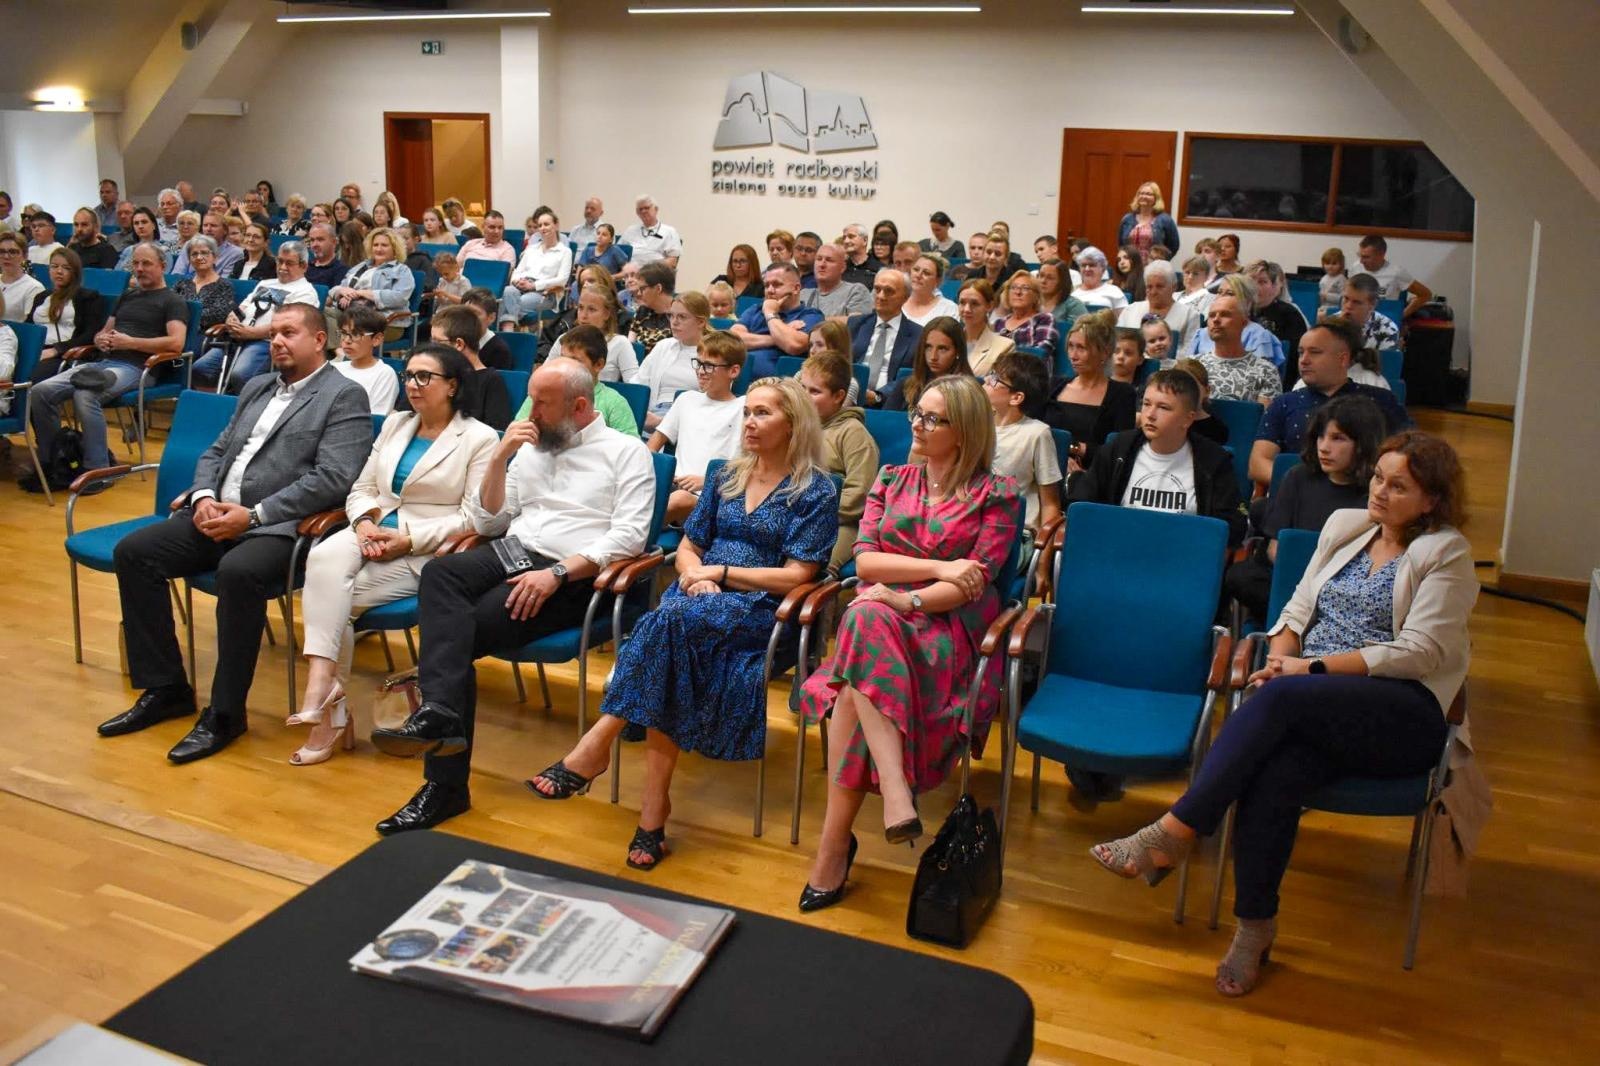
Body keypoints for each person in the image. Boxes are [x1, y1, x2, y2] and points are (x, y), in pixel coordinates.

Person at [1093, 430, 1475, 996]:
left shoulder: (1446, 552)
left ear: (1432, 501)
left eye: (1399, 486)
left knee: (1277, 698)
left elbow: (1420, 651)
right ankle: (1255, 929)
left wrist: (1310, 672)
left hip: (1402, 711)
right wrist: (1281, 659)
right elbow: (1296, 609)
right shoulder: (1348, 527)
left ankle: (1177, 830)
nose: (1380, 492)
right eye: (1379, 478)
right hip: (1310, 704)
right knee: (1273, 777)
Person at [528, 377, 836, 866]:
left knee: (665, 628)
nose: (749, 422)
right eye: (747, 412)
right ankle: (652, 811)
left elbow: (800, 573)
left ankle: (597, 746)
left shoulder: (815, 490)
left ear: (794, 423)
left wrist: (722, 572)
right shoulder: (726, 476)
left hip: (761, 608)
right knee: (674, 637)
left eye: (762, 414)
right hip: (697, 597)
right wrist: (694, 575)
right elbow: (689, 544)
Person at [369, 357, 654, 832]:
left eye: (542, 404)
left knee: (460, 635)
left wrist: (558, 573)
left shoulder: (627, 452)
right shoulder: (531, 446)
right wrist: (500, 457)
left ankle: (444, 784)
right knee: (440, 576)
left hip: (578, 574)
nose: (530, 412)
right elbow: (488, 522)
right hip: (516, 551)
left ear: (579, 405)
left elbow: (629, 537)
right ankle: (440, 715)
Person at [98, 303, 370, 761]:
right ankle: (166, 688)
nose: (277, 341)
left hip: (281, 531)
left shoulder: (343, 395)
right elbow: (218, 450)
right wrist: (204, 496)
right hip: (216, 514)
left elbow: (334, 478)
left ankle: (225, 714)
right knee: (135, 552)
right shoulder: (258, 385)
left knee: (238, 573)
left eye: (289, 333)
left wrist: (254, 515)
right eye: (273, 334)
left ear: (320, 339)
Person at [795, 375, 1020, 912]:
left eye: (932, 419)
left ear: (963, 431)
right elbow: (865, 561)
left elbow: (973, 583)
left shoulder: (998, 495)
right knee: (867, 617)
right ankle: (892, 793)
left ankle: (835, 846)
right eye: (917, 413)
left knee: (859, 640)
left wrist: (910, 601)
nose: (915, 425)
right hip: (882, 622)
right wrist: (939, 564)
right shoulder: (893, 479)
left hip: (948, 629)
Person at [291, 344, 499, 765]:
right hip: (374, 527)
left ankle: (329, 711)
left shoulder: (479, 437)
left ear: (453, 385)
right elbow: (364, 487)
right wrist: (364, 520)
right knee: (322, 559)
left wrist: (408, 539)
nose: (413, 385)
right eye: (409, 375)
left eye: (425, 377)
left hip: (423, 547)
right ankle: (323, 688)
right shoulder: (396, 423)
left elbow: (473, 518)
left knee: (334, 602)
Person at [25, 244, 186, 493]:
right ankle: (53, 460)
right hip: (104, 362)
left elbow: (176, 343)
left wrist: (131, 342)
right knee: (41, 390)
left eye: (146, 264)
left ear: (162, 266)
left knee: (86, 393)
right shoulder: (128, 296)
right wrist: (100, 338)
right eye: (136, 264)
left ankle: (97, 470)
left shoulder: (173, 301)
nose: (140, 269)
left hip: (137, 367)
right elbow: (105, 330)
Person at [1225, 395, 1384, 625]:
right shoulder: (1298, 477)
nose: (1324, 447)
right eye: (1321, 436)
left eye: (1338, 439)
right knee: (1240, 577)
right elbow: (1275, 549)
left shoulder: (1374, 493)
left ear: (1362, 445)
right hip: (1291, 576)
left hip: (1341, 585)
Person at [1068, 367, 1244, 542]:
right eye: (1146, 404)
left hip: (1181, 556)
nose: (1150, 415)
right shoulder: (1118, 449)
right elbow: (1084, 507)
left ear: (1188, 419)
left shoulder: (1213, 460)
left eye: (1164, 408)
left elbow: (1233, 527)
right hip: (1120, 548)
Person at [1249, 317, 1412, 488]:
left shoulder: (1380, 401)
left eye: (1314, 352)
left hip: (1361, 499)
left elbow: (1408, 453)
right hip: (1296, 498)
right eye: (1300, 352)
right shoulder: (1284, 403)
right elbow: (1258, 464)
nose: (1303, 360)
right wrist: (1307, 487)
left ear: (1342, 359)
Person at [649, 330, 747, 523]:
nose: (701, 371)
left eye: (709, 366)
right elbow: (653, 445)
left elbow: (749, 465)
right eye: (699, 363)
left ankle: (627, 538)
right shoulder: (686, 399)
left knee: (680, 499)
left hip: (712, 496)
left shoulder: (745, 408)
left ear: (733, 371)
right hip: (673, 485)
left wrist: (708, 481)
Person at [800, 351, 879, 577]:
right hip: (794, 513)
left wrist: (815, 514)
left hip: (839, 522)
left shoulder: (854, 434)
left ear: (838, 396)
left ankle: (821, 605)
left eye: (814, 391)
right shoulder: (795, 427)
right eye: (802, 388)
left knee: (812, 568)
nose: (804, 397)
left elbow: (860, 494)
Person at [1042, 310, 1137, 472]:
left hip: (1090, 474)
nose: (1073, 355)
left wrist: (1074, 449)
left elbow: (1120, 452)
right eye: (1071, 346)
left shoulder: (1122, 394)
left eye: (1081, 348)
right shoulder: (1054, 385)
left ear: (1105, 352)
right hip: (1045, 465)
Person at [985, 351, 1062, 532]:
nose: (987, 380)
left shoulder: (1037, 433)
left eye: (995, 378)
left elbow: (1050, 504)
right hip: (974, 524)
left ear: (1016, 397)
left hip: (1015, 532)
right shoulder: (974, 424)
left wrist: (1043, 556)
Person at [520, 324, 638, 437]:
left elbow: (631, 450)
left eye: (574, 361)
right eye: (562, 359)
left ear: (598, 365)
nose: (565, 367)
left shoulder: (614, 402)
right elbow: (518, 434)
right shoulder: (541, 395)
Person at [409, 304, 512, 431]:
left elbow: (496, 431)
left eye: (437, 342)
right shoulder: (427, 375)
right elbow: (404, 415)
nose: (432, 349)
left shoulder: (491, 381)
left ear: (459, 344)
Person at [731, 263, 824, 379]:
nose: (769, 290)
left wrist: (770, 313)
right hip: (739, 378)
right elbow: (732, 340)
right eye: (766, 285)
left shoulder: (811, 315)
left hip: (779, 386)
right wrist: (777, 339)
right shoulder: (755, 310)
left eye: (777, 285)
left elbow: (794, 345)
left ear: (796, 288)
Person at [26, 248, 108, 380]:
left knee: (30, 376)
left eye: (66, 267)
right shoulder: (41, 297)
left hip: (64, 354)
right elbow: (29, 327)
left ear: (75, 272)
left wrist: (56, 350)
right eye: (54, 266)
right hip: (35, 350)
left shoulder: (88, 297)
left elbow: (90, 334)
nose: (59, 271)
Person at [326, 227, 415, 341]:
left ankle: (341, 353)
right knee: (322, 314)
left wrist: (364, 293)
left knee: (346, 328)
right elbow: (340, 287)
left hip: (383, 321)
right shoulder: (361, 266)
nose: (378, 249)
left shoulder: (402, 270)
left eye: (384, 245)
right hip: (350, 314)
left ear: (394, 248)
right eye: (375, 245)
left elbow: (399, 297)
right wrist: (341, 291)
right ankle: (338, 353)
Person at [848, 270, 921, 407]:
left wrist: (878, 396)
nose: (881, 296)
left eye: (889, 291)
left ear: (905, 297)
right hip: (850, 399)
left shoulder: (918, 335)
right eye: (877, 289)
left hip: (891, 404)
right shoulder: (855, 325)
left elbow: (911, 378)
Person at [636, 291, 710, 426]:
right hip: (652, 413)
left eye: (682, 317)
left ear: (701, 322)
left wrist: (661, 423)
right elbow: (638, 384)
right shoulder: (663, 346)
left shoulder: (714, 353)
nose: (674, 322)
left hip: (690, 420)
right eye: (671, 316)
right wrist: (641, 413)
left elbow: (714, 403)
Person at [1195, 291, 1282, 404]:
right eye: (1211, 315)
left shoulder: (1266, 371)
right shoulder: (1194, 366)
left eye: (1225, 314)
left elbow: (1266, 419)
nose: (1216, 320)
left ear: (1243, 322)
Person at [548, 283, 639, 383]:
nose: (583, 315)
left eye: (592, 309)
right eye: (580, 308)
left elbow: (634, 385)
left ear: (606, 314)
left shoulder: (620, 343)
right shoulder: (564, 339)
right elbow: (545, 375)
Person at [498, 208, 571, 328]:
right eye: (540, 225)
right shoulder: (532, 249)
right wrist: (517, 281)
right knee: (508, 291)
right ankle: (512, 332)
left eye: (546, 224)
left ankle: (508, 333)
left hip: (544, 293)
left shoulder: (564, 252)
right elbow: (518, 270)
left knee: (508, 303)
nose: (542, 228)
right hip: (521, 286)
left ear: (556, 225)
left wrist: (534, 286)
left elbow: (562, 280)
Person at [884, 315, 970, 414]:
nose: (933, 356)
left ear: (958, 351)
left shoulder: (970, 391)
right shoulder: (905, 386)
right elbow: (884, 421)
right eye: (928, 347)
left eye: (942, 349)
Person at [327, 304, 400, 414]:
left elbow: (376, 419)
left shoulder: (384, 374)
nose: (347, 340)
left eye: (356, 334)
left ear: (376, 339)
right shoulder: (333, 368)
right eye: (343, 333)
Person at [1117, 259, 1200, 352]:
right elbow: (1118, 343)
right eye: (1149, 287)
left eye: (1159, 286)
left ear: (1174, 287)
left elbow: (1190, 354)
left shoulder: (1189, 315)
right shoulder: (1130, 311)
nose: (1153, 292)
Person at [1247, 260, 1308, 386]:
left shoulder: (1289, 314)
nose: (1256, 287)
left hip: (1275, 379)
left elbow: (1294, 358)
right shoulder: (1239, 311)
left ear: (1275, 286)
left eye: (1262, 282)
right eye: (1251, 281)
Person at [1356, 234, 1431, 318]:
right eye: (1360, 256)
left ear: (1381, 255)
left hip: (1384, 320)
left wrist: (1401, 316)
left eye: (1366, 257)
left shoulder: (1396, 272)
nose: (1361, 261)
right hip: (1360, 319)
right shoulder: (1356, 268)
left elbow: (1425, 294)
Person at [797, 243, 871, 322]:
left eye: (829, 260)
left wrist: (811, 321)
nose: (822, 264)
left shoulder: (856, 291)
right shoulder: (803, 294)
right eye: (819, 259)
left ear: (842, 267)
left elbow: (856, 323)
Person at [958, 278, 1015, 378]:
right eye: (962, 303)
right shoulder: (949, 341)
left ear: (989, 306)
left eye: (974, 304)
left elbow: (995, 385)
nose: (966, 309)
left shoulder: (1005, 346)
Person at [991, 272, 1059, 352]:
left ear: (1036, 296)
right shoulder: (998, 323)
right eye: (1013, 287)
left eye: (1025, 288)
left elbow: (1041, 352)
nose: (1018, 292)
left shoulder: (1044, 319)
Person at [1338, 272, 1402, 356]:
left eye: (1357, 302)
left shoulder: (1388, 330)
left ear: (1372, 305)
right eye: (1346, 299)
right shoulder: (1332, 323)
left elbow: (1385, 367)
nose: (1348, 306)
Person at [1170, 357, 1229, 445]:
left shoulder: (1216, 429)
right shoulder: (1167, 420)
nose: (1186, 393)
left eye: (1193, 387)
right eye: (1178, 387)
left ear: (1207, 391)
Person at [1118, 182, 1181, 263]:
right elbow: (1121, 245)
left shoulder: (1165, 220)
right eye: (1141, 193)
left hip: (1154, 268)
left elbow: (1174, 246)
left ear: (1156, 198)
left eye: (1148, 194)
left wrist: (1161, 262)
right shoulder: (1127, 219)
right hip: (1131, 266)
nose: (1143, 196)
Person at [619, 195, 682, 269]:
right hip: (630, 274)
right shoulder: (630, 231)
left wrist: (648, 266)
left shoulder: (669, 231)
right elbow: (618, 253)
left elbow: (672, 262)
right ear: (637, 212)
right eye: (640, 209)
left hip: (655, 273)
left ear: (656, 209)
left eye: (647, 208)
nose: (643, 211)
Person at [626, 260, 675, 353]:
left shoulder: (679, 315)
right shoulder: (642, 311)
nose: (639, 293)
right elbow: (630, 346)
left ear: (658, 288)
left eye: (642, 289)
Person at [0, 231, 46, 322]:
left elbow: (29, 325)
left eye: (12, 252)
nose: (6, 256)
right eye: (1, 252)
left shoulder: (34, 288)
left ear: (25, 256)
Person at [901, 253, 959, 326]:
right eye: (916, 269)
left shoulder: (949, 309)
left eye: (926, 273)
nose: (918, 275)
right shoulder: (896, 302)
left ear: (938, 281)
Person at [1071, 247, 1128, 311]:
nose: (1087, 269)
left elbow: (1124, 319)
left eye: (1092, 265)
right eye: (1083, 265)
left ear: (1103, 269)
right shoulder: (1073, 295)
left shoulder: (1114, 291)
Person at [1038, 259, 1087, 330]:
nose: (1043, 281)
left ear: (1061, 282)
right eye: (1041, 276)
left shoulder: (1074, 306)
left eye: (1050, 278)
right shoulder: (1030, 303)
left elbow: (1083, 333)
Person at [1317, 247, 1348, 320]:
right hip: (1323, 308)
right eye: (1327, 263)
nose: (1330, 266)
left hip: (1335, 309)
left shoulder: (1341, 279)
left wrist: (1327, 296)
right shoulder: (1324, 278)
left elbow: (1343, 298)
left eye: (1334, 264)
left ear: (1341, 264)